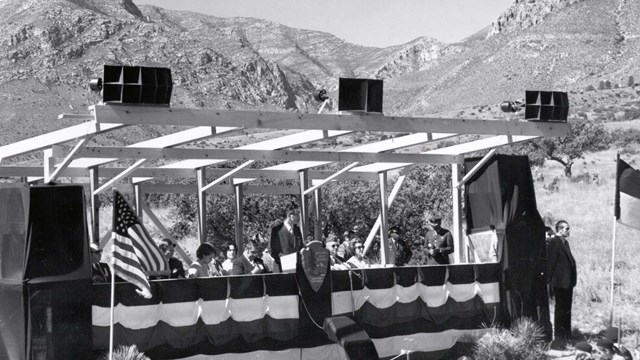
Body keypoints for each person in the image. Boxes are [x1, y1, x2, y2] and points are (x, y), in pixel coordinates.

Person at [547, 220, 577, 348]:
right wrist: (549, 282)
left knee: (567, 309)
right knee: (560, 310)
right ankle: (559, 337)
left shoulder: (566, 243)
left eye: (569, 228)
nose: (569, 231)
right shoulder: (554, 242)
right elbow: (550, 263)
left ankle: (567, 335)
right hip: (559, 283)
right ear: (559, 230)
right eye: (566, 229)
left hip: (567, 282)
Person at [269, 204, 303, 271]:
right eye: (297, 214)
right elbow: (272, 250)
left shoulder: (297, 229)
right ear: (289, 215)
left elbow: (300, 246)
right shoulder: (276, 230)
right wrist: (284, 259)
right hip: (281, 269)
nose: (299, 216)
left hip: (296, 269)